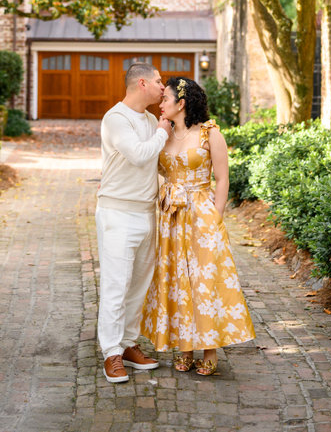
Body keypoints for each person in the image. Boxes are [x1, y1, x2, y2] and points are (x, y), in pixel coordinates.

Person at [141, 76, 255, 375]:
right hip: (171, 217)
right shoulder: (161, 133)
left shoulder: (209, 134)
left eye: (165, 99)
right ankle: (185, 347)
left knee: (203, 281)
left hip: (201, 214)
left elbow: (222, 179)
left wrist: (216, 216)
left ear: (181, 103)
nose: (160, 103)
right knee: (176, 280)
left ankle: (209, 349)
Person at [96, 62, 172, 383]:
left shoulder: (152, 119)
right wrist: (164, 131)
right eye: (158, 81)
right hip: (117, 213)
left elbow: (154, 165)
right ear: (142, 83)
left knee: (139, 285)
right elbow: (141, 155)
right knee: (117, 284)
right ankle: (111, 353)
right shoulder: (116, 118)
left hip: (146, 212)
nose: (162, 86)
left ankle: (128, 344)